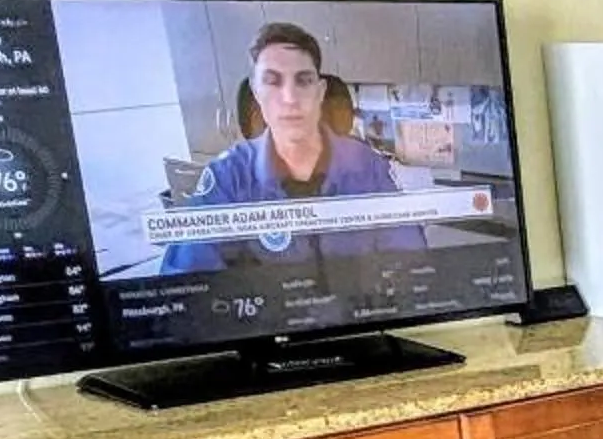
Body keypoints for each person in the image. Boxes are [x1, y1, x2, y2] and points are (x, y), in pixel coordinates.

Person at [157, 22, 423, 273]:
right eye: (272, 81)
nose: (290, 98)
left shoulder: (371, 169)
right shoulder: (227, 179)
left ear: (319, 92)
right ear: (256, 93)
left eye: (303, 81)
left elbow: (412, 267)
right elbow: (184, 287)